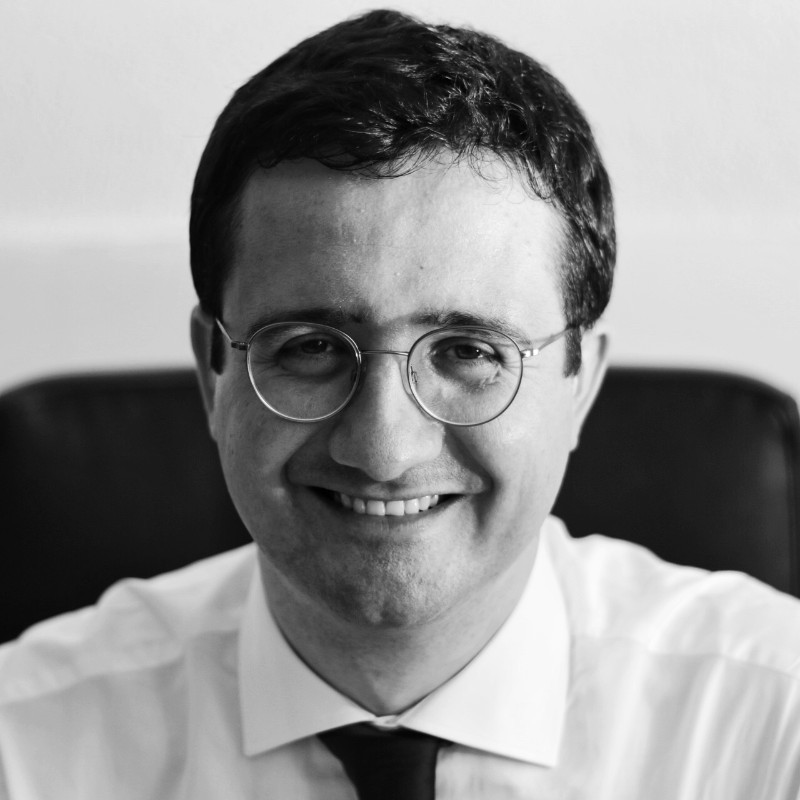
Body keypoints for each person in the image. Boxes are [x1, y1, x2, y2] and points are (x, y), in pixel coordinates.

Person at [1, 9, 799, 799]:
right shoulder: (25, 750)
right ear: (214, 373)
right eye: (310, 347)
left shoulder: (772, 726)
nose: (383, 449)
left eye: (469, 352)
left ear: (579, 381)